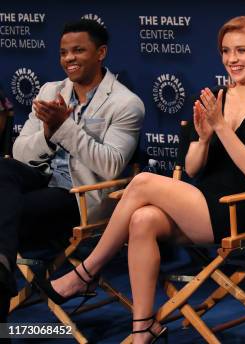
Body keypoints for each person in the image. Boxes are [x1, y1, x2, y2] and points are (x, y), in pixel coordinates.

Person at [38, 15, 245, 343]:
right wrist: (206, 137)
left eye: (241, 51)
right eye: (225, 51)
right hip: (202, 206)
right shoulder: (219, 97)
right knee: (142, 219)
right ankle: (143, 328)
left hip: (244, 212)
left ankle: (87, 271)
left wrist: (221, 126)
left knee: (142, 183)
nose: (231, 60)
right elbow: (193, 169)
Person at [0, 19, 144, 323]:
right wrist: (49, 134)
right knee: (4, 168)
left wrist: (64, 127)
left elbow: (109, 166)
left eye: (78, 50)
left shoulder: (125, 103)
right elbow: (21, 152)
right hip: (41, 179)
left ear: (101, 52)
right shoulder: (51, 90)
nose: (69, 59)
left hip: (80, 197)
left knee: (10, 208)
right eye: (64, 52)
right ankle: (2, 269)